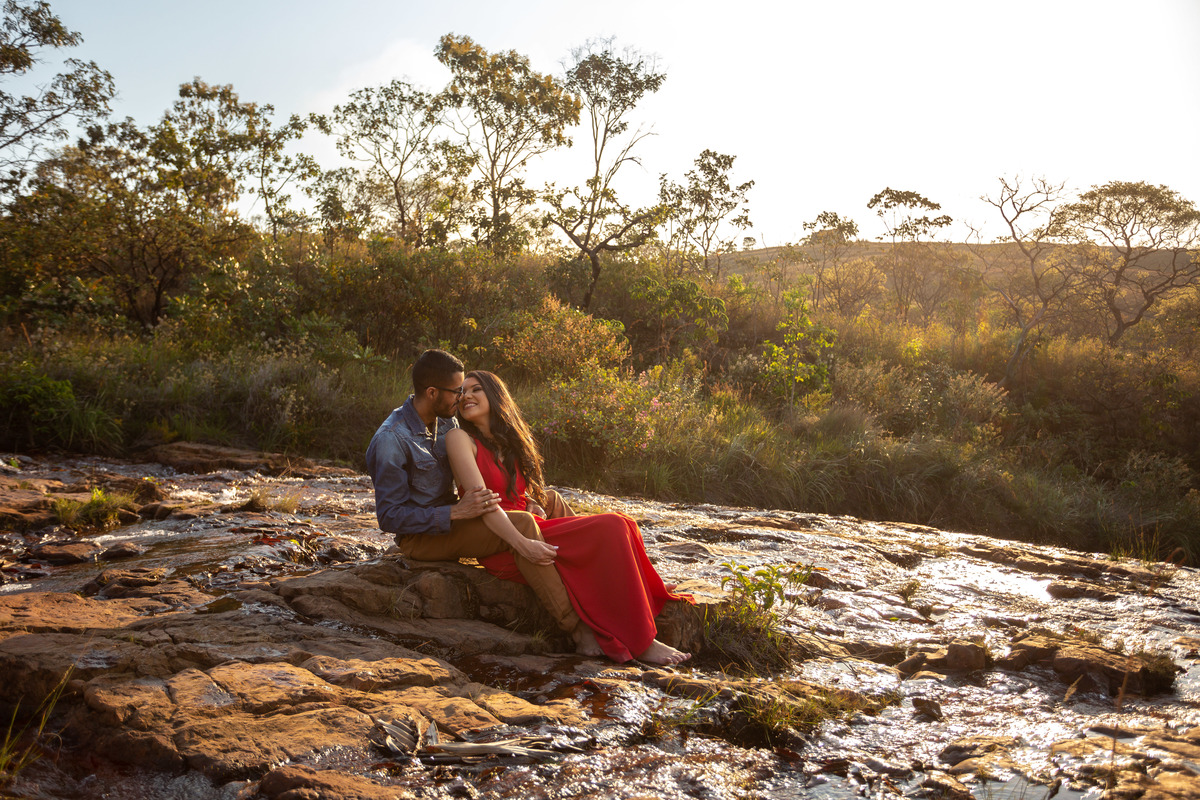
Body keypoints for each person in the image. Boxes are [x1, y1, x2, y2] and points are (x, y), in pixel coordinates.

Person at [446, 369, 693, 666]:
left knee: (624, 522)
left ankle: (645, 586)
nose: (466, 396)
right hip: (506, 539)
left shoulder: (508, 442)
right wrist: (524, 544)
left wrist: (530, 502)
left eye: (476, 389)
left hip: (530, 526)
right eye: (462, 392)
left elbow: (518, 491)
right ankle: (642, 641)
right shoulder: (459, 438)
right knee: (613, 525)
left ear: (495, 395)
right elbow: (484, 503)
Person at [366, 350, 585, 652]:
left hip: (459, 519)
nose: (461, 397)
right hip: (421, 538)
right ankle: (574, 627)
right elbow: (389, 518)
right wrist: (454, 512)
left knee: (549, 500)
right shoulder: (391, 439)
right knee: (521, 524)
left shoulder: (445, 422)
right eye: (457, 391)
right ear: (432, 393)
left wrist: (526, 497)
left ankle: (590, 575)